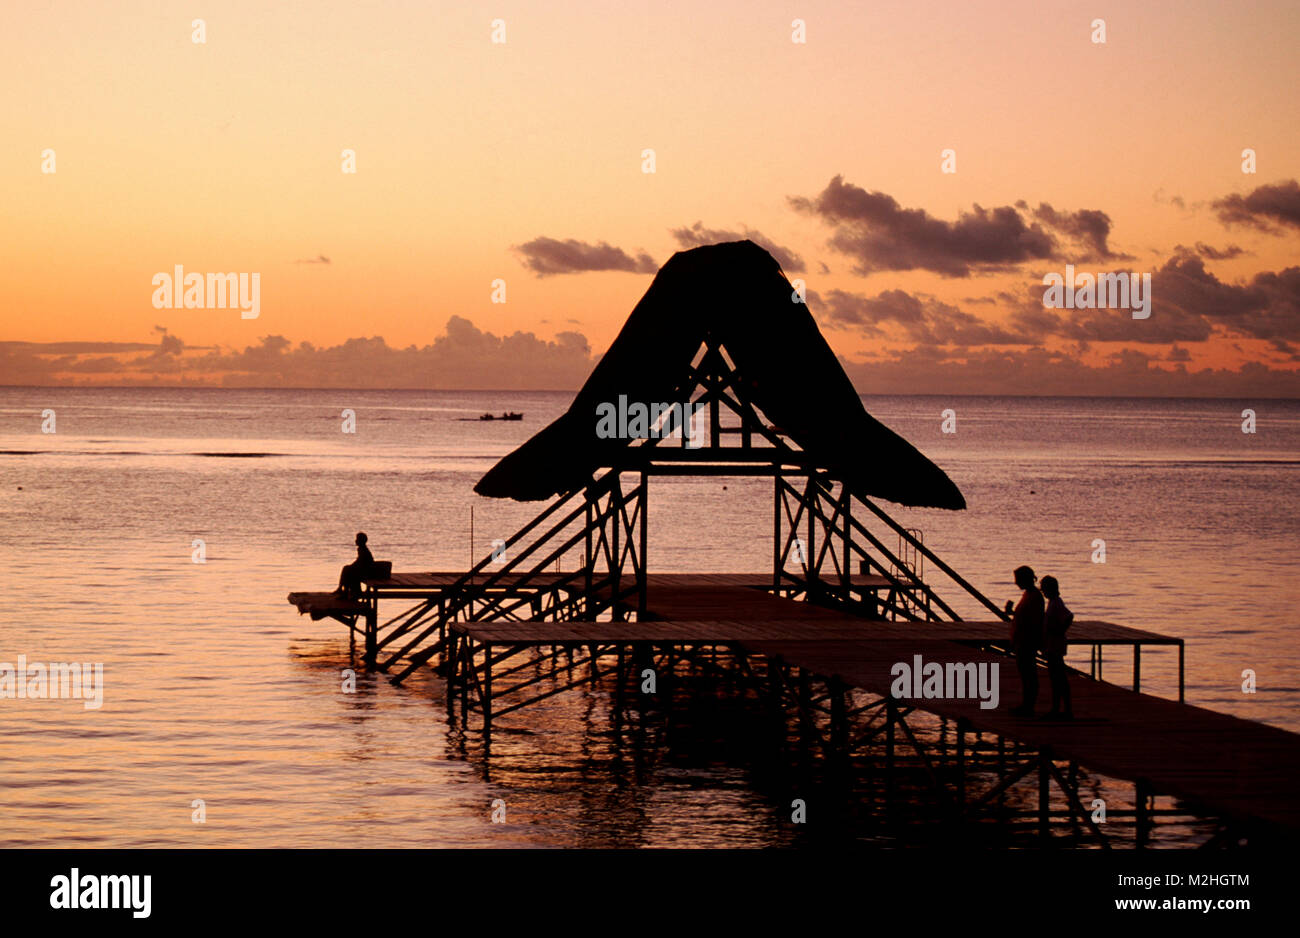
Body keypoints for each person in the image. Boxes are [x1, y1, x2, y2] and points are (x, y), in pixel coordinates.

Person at [1008, 565, 1044, 717]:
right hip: (1021, 640)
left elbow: (1035, 620)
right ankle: (1026, 704)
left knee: (1029, 674)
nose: (1016, 582)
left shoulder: (1035, 596)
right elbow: (1024, 616)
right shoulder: (1028, 595)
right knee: (1025, 674)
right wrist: (1011, 612)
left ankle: (1029, 706)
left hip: (1027, 641)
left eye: (1017, 579)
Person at [1041, 575, 1074, 719]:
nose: (1043, 592)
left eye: (1044, 589)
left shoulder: (1056, 603)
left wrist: (1059, 631)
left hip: (1056, 645)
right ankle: (1058, 708)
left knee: (1058, 678)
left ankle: (1063, 709)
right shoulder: (1052, 603)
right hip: (1052, 645)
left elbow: (1069, 616)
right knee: (1056, 678)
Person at [336, 532, 375, 598]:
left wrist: (351, 567)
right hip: (363, 570)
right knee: (347, 569)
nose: (355, 541)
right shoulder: (362, 549)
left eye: (357, 539)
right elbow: (358, 561)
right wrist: (351, 566)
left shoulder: (363, 550)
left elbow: (361, 562)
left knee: (348, 571)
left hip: (366, 572)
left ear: (361, 541)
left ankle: (344, 591)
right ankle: (342, 590)